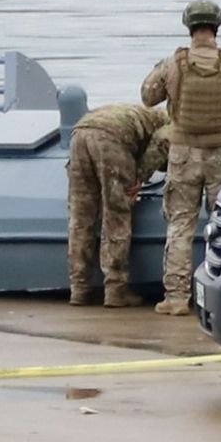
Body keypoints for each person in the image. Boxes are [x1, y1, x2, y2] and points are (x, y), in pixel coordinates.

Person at [142, 0, 221, 316]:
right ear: (217, 26)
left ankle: (177, 298)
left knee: (180, 225)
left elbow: (147, 96)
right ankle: (220, 295)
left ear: (189, 26)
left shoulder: (173, 63)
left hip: (182, 155)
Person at [66, 103, 171, 308]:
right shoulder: (172, 122)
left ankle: (79, 288)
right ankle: (116, 290)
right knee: (116, 216)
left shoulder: (139, 113)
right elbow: (161, 143)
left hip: (80, 134)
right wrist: (140, 177)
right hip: (112, 139)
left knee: (80, 217)